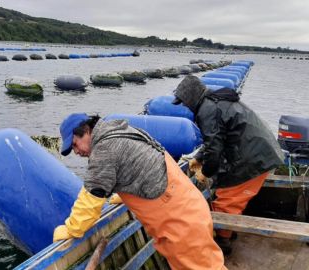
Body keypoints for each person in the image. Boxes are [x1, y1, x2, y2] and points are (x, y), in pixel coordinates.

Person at [53, 113, 226, 270]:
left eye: (75, 144)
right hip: (188, 205)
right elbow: (138, 162)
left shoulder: (103, 151)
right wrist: (127, 191)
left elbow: (89, 202)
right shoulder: (121, 129)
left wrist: (71, 230)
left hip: (179, 220)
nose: (76, 152)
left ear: (87, 130)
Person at [172, 75, 285, 254]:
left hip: (255, 157)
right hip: (261, 150)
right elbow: (217, 138)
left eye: (184, 101)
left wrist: (206, 172)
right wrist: (199, 157)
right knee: (229, 193)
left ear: (191, 97)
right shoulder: (214, 101)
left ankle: (223, 243)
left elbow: (215, 149)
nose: (185, 105)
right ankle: (228, 232)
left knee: (227, 200)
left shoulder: (207, 110)